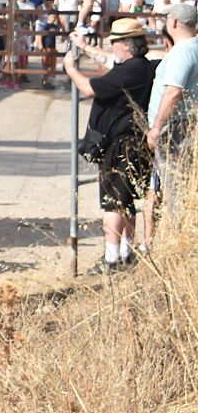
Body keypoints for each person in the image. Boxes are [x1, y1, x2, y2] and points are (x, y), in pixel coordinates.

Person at [65, 17, 154, 270]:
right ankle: (127, 252)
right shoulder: (139, 66)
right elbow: (108, 59)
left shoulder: (129, 71)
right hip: (131, 142)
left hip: (120, 145)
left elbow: (89, 88)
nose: (112, 46)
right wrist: (84, 47)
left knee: (113, 202)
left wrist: (71, 69)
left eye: (115, 42)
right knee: (125, 200)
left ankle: (111, 259)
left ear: (126, 45)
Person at [144, 2, 198, 248]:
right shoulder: (193, 47)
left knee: (174, 187)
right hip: (188, 123)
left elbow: (174, 92)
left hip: (175, 128)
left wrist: (156, 126)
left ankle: (179, 244)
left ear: (174, 22)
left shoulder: (182, 52)